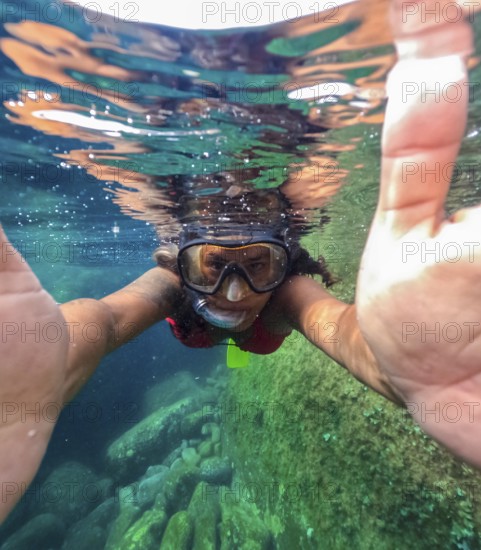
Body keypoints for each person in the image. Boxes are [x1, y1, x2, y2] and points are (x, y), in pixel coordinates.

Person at [0, 0, 479, 524]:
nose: (234, 291)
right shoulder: (170, 285)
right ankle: (237, 345)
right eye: (211, 265)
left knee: (249, 335)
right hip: (206, 328)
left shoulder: (287, 293)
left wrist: (389, 362)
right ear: (180, 262)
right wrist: (58, 350)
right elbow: (110, 318)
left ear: (284, 260)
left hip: (258, 333)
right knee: (235, 334)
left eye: (259, 264)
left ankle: (242, 345)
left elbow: (340, 329)